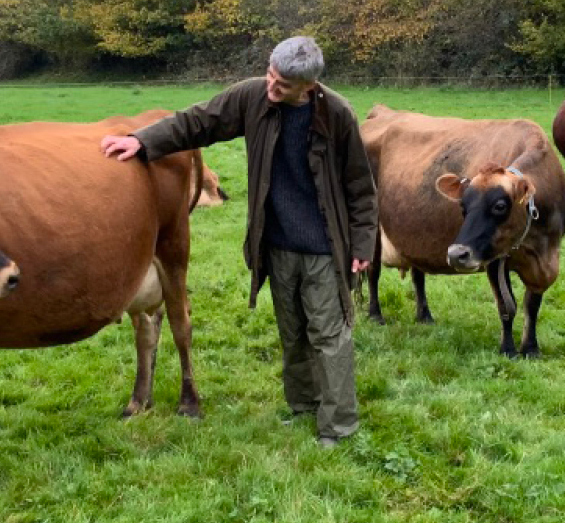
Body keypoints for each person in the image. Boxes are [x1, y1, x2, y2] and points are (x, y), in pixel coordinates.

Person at [100, 36, 378, 447]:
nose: (271, 87)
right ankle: (303, 405)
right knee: (293, 330)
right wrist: (143, 140)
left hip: (325, 246)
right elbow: (199, 121)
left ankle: (337, 424)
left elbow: (360, 185)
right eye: (270, 75)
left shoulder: (335, 113)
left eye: (282, 85)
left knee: (329, 334)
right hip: (277, 243)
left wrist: (362, 243)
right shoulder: (253, 96)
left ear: (308, 87)